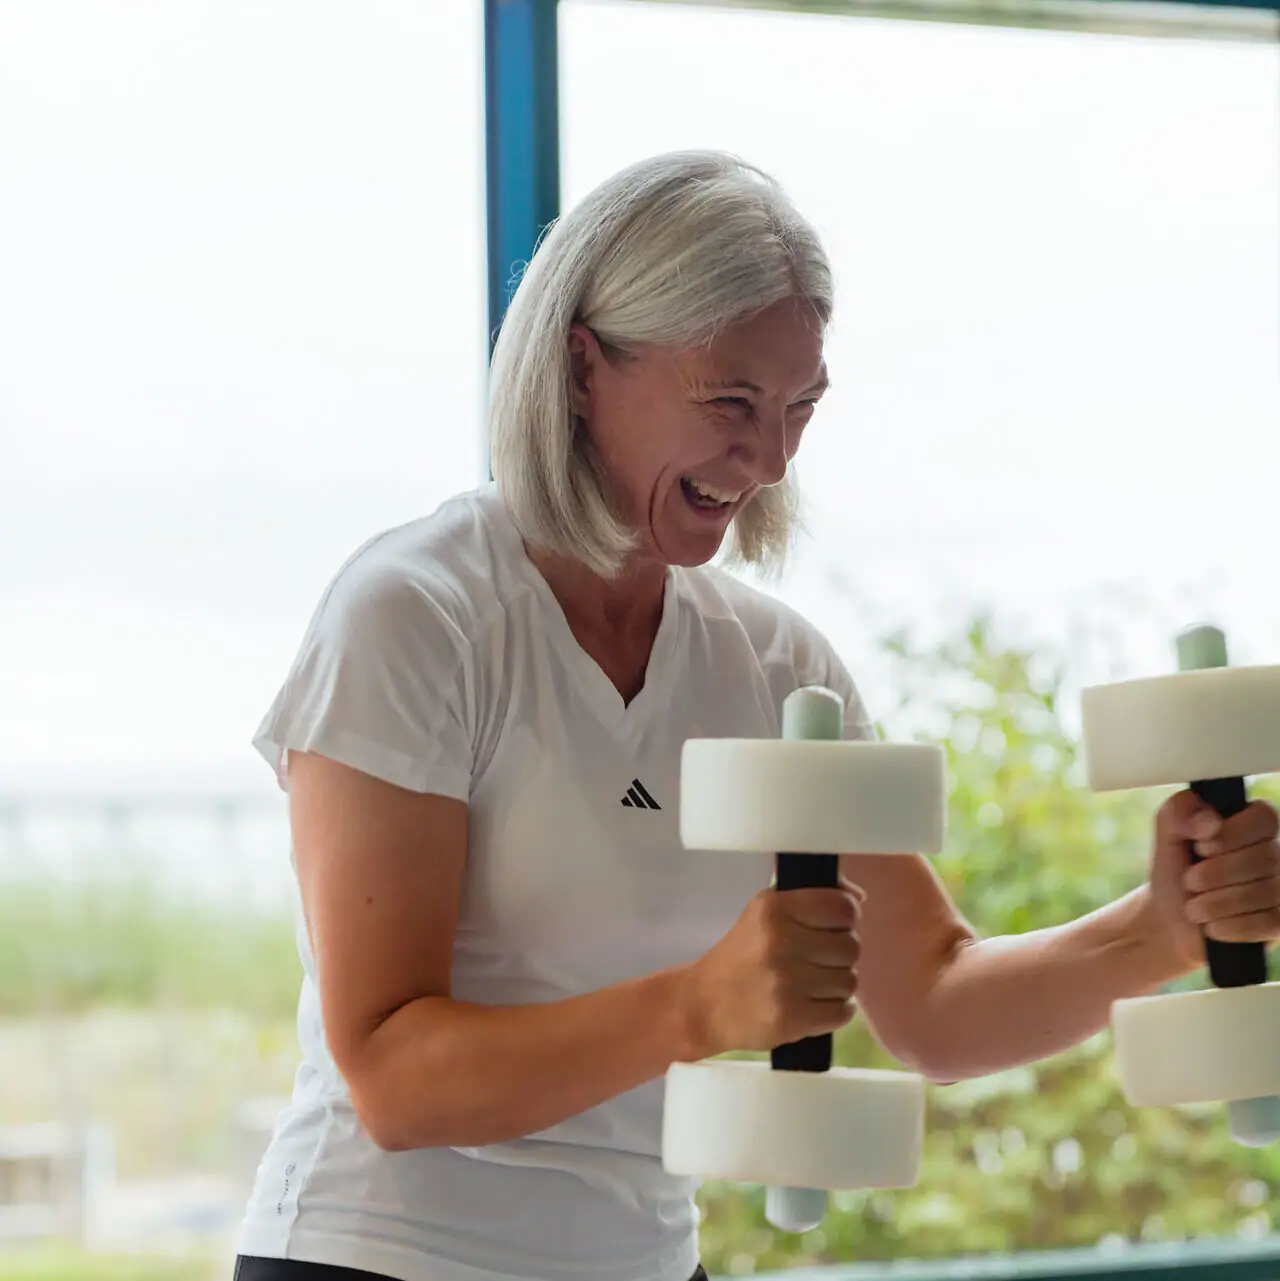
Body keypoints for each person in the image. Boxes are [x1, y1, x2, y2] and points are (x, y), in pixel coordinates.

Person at [231, 150, 1280, 1281]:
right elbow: (390, 1076)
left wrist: (1157, 928)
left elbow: (930, 1007)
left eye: (798, 408)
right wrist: (697, 1005)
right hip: (374, 1257)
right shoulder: (417, 617)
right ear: (582, 368)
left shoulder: (776, 670)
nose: (771, 456)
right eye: (731, 402)